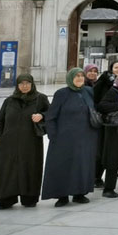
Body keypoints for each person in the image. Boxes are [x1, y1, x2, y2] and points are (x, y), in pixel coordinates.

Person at [41, 68, 97, 207]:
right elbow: (51, 116)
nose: (79, 78)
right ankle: (62, 196)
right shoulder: (61, 94)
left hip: (85, 137)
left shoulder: (89, 92)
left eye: (81, 76)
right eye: (76, 76)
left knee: (81, 165)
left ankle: (79, 193)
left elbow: (95, 111)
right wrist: (53, 135)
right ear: (70, 78)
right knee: (63, 166)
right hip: (63, 138)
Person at [0, 74, 49, 209]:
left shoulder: (40, 99)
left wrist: (42, 115)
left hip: (31, 143)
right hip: (7, 144)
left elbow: (51, 113)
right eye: (21, 83)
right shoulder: (9, 101)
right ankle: (7, 198)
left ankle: (28, 198)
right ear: (17, 85)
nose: (25, 86)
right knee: (7, 171)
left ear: (32, 84)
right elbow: (0, 120)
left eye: (27, 83)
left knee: (29, 169)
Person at [92, 60, 118, 187]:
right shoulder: (104, 80)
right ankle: (97, 177)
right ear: (111, 69)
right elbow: (96, 98)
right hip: (104, 120)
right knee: (102, 149)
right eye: (116, 67)